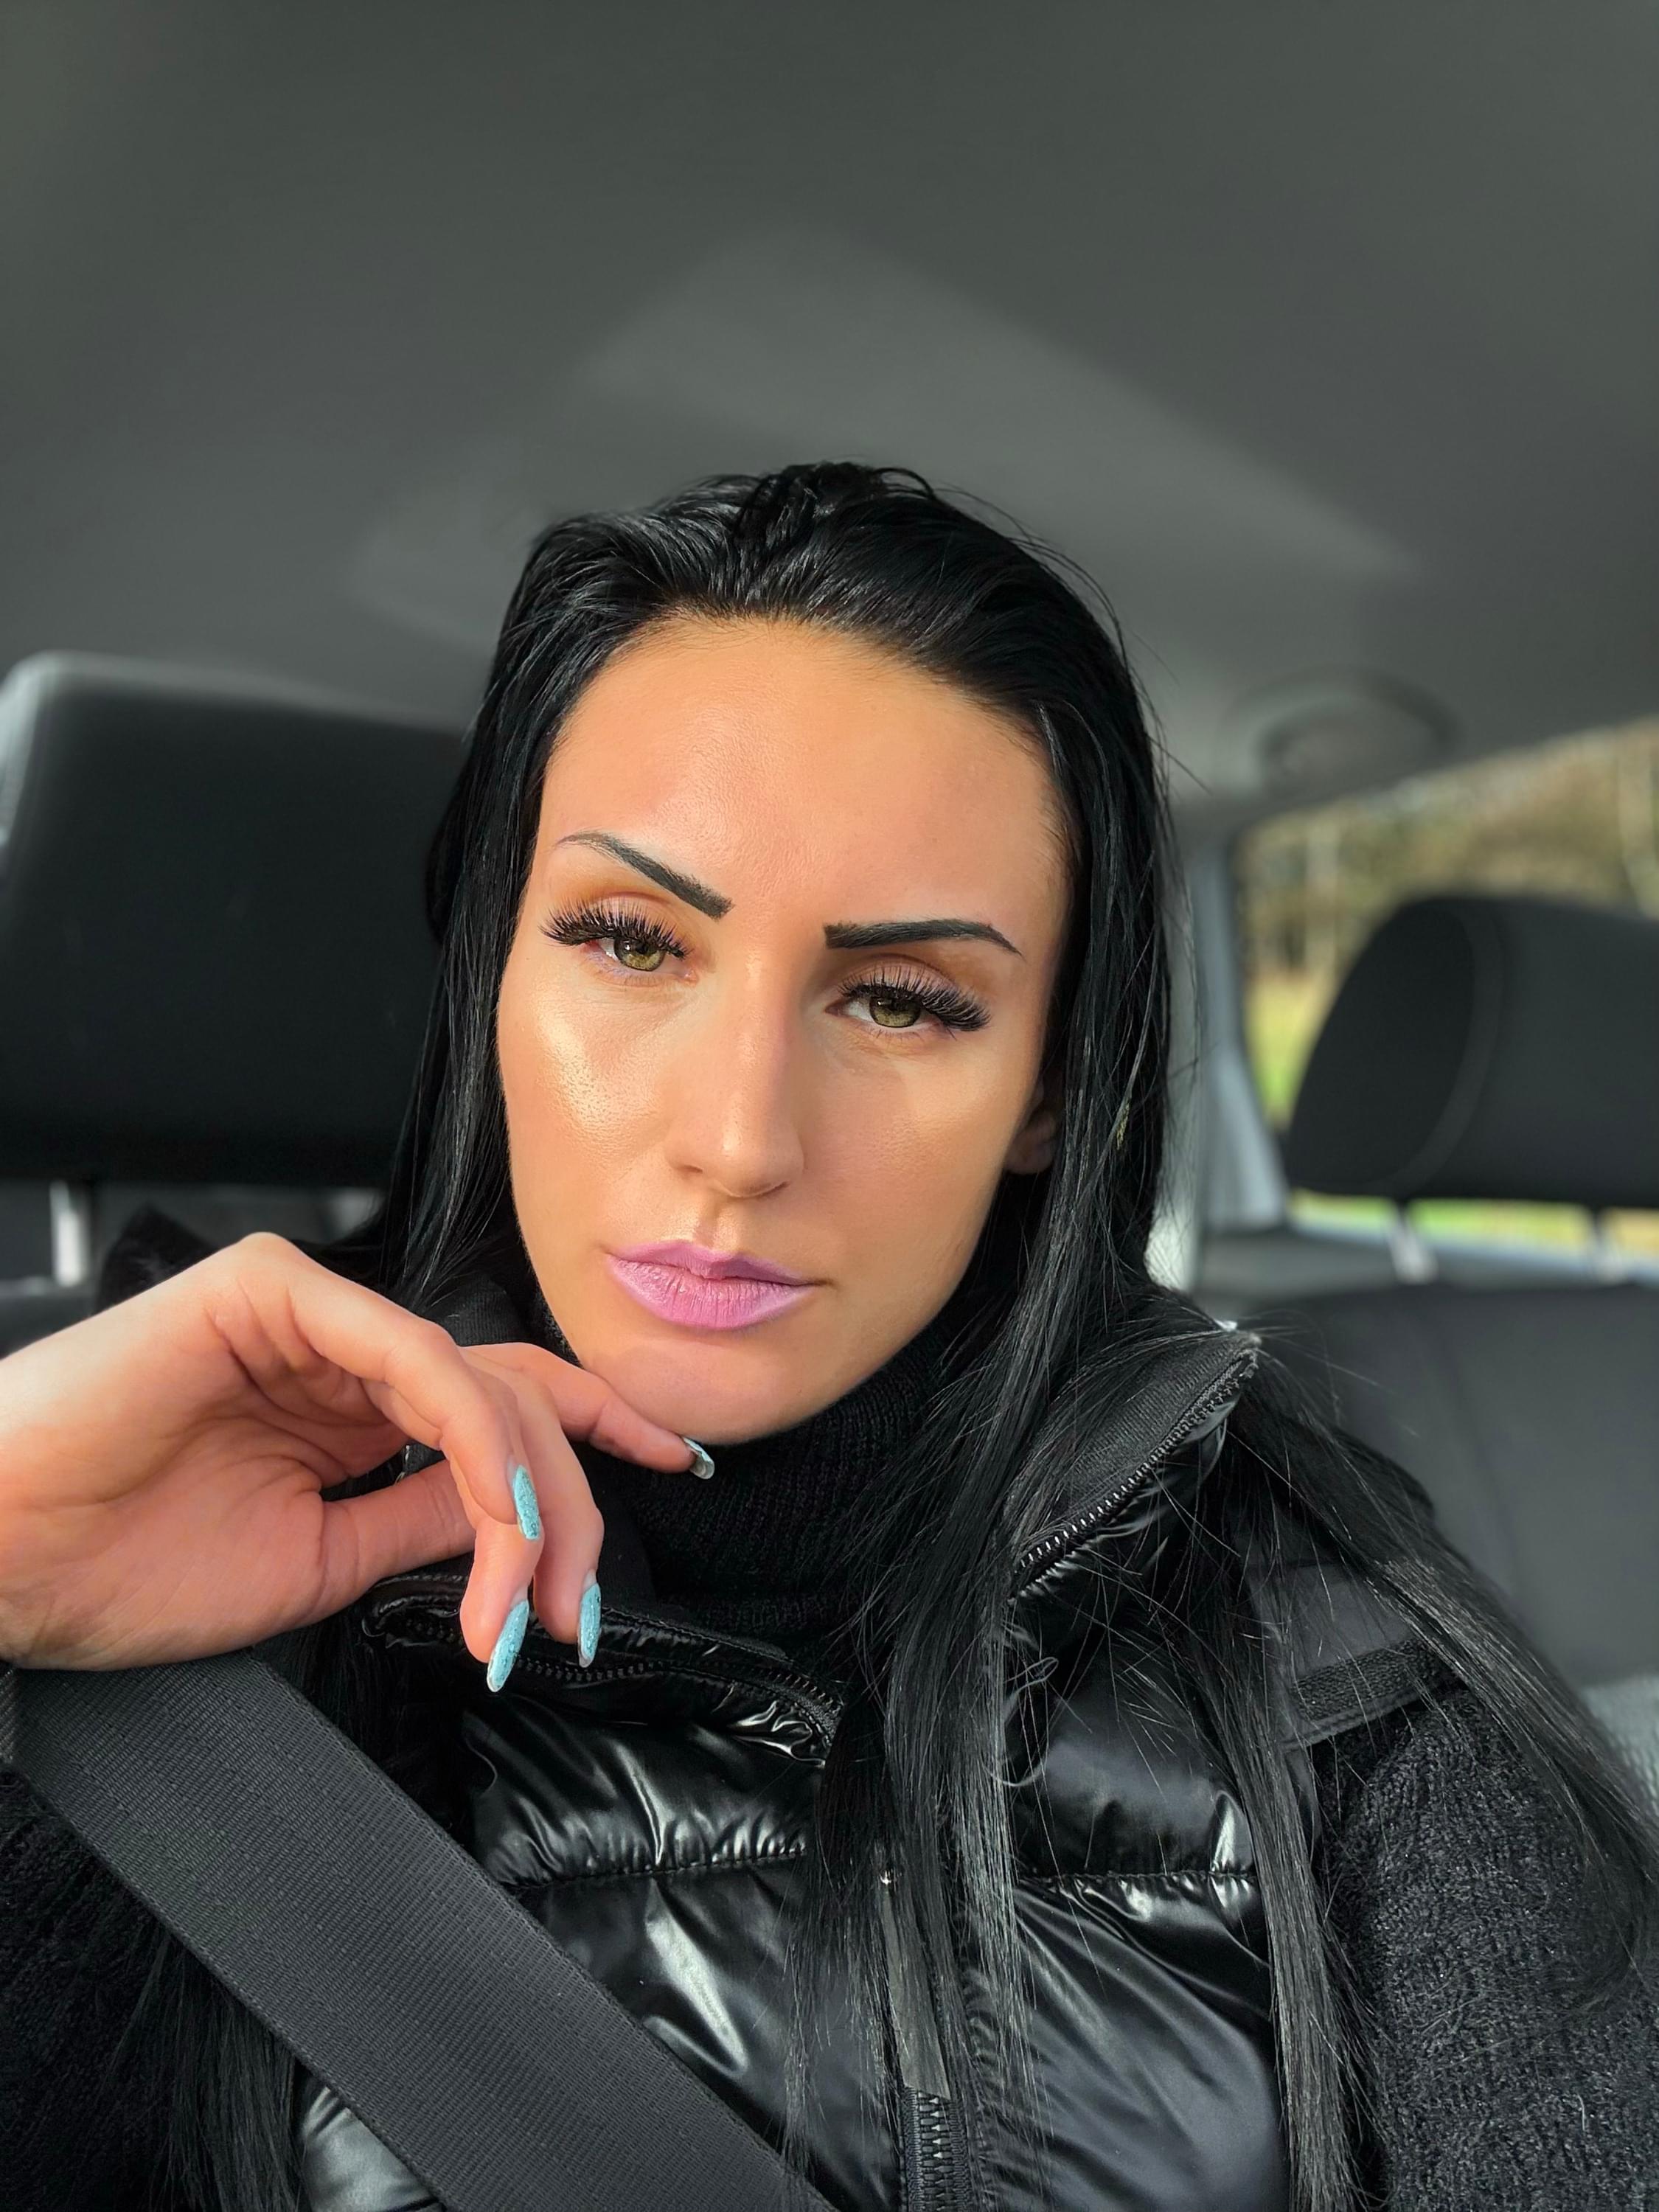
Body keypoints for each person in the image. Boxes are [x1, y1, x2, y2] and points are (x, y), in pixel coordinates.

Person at [1, 462, 1656, 2212]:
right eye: (631, 941)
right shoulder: (149, 1536)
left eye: (904, 1000)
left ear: (1047, 1095)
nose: (740, 1139)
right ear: (493, 975)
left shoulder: (1308, 1614)